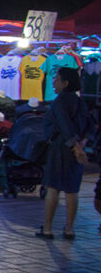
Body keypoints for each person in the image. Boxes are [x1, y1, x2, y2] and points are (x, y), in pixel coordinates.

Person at [37, 67, 92, 240]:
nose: (53, 82)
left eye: (57, 79)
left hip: (61, 148)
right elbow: (90, 126)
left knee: (53, 187)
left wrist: (75, 147)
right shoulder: (79, 101)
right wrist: (81, 145)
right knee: (71, 189)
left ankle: (47, 229)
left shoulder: (60, 101)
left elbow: (64, 124)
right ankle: (69, 229)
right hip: (76, 149)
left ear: (65, 83)